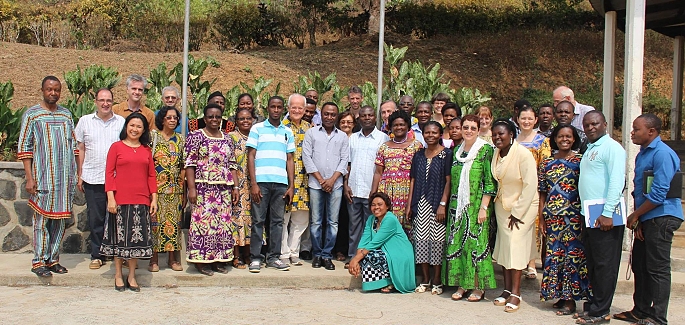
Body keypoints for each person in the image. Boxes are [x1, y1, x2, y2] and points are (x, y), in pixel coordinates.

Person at [615, 114, 683, 325]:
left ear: (651, 132)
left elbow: (659, 193)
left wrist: (635, 215)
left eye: (636, 129)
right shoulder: (643, 154)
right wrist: (640, 221)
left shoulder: (663, 154)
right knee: (640, 265)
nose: (632, 133)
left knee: (658, 269)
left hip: (662, 217)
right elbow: (640, 190)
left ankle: (658, 317)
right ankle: (641, 310)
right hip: (647, 217)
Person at [18, 76, 79, 277]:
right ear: (42, 90)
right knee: (41, 222)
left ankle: (53, 259)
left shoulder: (66, 114)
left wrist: (76, 174)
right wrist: (29, 177)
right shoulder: (32, 115)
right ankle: (39, 261)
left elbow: (74, 145)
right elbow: (25, 148)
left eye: (56, 90)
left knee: (60, 222)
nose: (53, 93)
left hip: (64, 179)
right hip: (43, 178)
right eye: (49, 89)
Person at [575, 111, 626, 324]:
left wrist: (607, 214)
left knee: (606, 265)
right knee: (595, 264)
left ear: (605, 124)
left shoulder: (612, 148)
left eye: (595, 124)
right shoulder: (589, 148)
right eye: (587, 125)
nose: (590, 128)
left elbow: (616, 181)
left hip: (605, 217)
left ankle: (601, 312)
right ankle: (596, 304)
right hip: (590, 216)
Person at [538, 124, 591, 315]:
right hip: (552, 217)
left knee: (571, 258)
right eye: (560, 136)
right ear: (555, 139)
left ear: (574, 139)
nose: (564, 139)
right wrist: (542, 217)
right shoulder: (546, 163)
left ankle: (570, 301)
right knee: (555, 255)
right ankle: (561, 296)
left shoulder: (580, 161)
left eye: (568, 136)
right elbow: (543, 192)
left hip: (573, 217)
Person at [444, 115, 497, 302]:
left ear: (478, 129)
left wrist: (484, 208)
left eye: (472, 128)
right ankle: (462, 284)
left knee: (477, 245)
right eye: (465, 127)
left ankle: (478, 286)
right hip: (457, 207)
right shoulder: (457, 151)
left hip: (477, 207)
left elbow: (490, 183)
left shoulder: (485, 150)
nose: (468, 131)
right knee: (459, 244)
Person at [102, 112, 157, 292]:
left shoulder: (146, 151)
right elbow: (109, 173)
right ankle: (118, 275)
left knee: (135, 243)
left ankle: (132, 276)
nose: (135, 129)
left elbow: (151, 175)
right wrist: (111, 197)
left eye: (139, 127)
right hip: (120, 201)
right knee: (119, 241)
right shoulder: (116, 147)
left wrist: (153, 198)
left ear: (143, 130)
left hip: (141, 201)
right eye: (132, 125)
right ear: (126, 126)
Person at [490, 118, 539, 313]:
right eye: (494, 134)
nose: (497, 137)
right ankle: (506, 289)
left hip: (523, 206)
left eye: (501, 134)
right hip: (502, 206)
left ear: (511, 134)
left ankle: (516, 293)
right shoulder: (496, 153)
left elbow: (530, 185)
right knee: (504, 247)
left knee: (516, 247)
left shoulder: (523, 154)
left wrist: (518, 212)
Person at [184, 104, 239, 276]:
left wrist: (235, 186)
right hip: (203, 188)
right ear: (205, 118)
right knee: (204, 224)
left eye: (217, 117)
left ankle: (218, 260)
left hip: (223, 189)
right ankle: (202, 261)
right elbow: (189, 164)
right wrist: (191, 188)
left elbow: (232, 165)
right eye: (210, 117)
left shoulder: (228, 138)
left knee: (222, 225)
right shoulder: (196, 136)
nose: (214, 120)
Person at [75, 88, 125, 270]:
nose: (105, 103)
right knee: (96, 219)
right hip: (92, 176)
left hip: (117, 179)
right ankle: (97, 254)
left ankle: (118, 254)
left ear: (113, 102)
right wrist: (80, 175)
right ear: (95, 101)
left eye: (109, 100)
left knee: (118, 218)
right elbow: (81, 149)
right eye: (102, 100)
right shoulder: (85, 122)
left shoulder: (121, 122)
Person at [246, 96, 295, 273]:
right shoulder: (257, 128)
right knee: (258, 220)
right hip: (262, 182)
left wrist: (291, 185)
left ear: (283, 109)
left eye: (279, 107)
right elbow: (251, 155)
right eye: (273, 107)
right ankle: (256, 258)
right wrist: (254, 183)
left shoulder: (287, 132)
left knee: (277, 222)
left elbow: (290, 159)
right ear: (267, 108)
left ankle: (274, 257)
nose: (276, 110)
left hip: (281, 183)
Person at [406, 121, 452, 295]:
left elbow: (448, 181)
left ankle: (437, 280)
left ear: (440, 134)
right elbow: (413, 181)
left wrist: (442, 205)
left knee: (437, 242)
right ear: (423, 134)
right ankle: (425, 279)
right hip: (420, 204)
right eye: (427, 132)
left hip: (437, 204)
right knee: (421, 241)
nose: (430, 135)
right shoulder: (418, 155)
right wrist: (410, 204)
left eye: (434, 132)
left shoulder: (446, 154)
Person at [303, 102, 350, 270]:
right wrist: (322, 180)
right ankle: (317, 254)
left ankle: (326, 255)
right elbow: (307, 158)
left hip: (335, 184)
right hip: (316, 184)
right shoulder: (311, 133)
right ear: (321, 115)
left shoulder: (343, 137)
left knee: (333, 222)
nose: (329, 117)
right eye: (326, 114)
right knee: (316, 221)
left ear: (336, 116)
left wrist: (332, 180)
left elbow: (345, 160)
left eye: (333, 114)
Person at [344, 106, 390, 268]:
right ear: (359, 119)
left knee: (371, 227)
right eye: (363, 116)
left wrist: (376, 191)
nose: (367, 118)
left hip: (373, 192)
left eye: (370, 115)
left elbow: (383, 167)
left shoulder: (383, 138)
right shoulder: (352, 139)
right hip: (354, 189)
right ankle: (352, 256)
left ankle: (367, 257)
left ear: (375, 118)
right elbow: (347, 164)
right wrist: (345, 185)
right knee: (354, 226)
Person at [347, 192, 416, 293]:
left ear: (387, 206)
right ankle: (381, 282)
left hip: (399, 252)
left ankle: (390, 281)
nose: (376, 208)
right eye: (373, 205)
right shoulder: (371, 219)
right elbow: (364, 240)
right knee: (365, 255)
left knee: (370, 255)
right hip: (385, 250)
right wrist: (356, 261)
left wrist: (355, 259)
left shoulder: (390, 219)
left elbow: (375, 242)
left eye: (380, 204)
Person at [371, 110, 423, 236]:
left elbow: (418, 174)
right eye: (395, 125)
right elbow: (378, 172)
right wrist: (373, 193)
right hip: (386, 192)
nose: (399, 127)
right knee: (386, 224)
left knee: (407, 225)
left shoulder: (417, 146)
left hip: (407, 192)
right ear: (391, 127)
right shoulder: (384, 147)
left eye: (402, 124)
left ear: (408, 126)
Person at [148, 106, 186, 272]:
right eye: (169, 117)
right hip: (157, 190)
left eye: (175, 118)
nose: (172, 120)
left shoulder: (180, 140)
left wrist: (183, 188)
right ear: (162, 119)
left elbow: (184, 165)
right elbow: (147, 164)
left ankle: (172, 259)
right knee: (155, 225)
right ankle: (153, 260)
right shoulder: (153, 137)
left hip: (175, 191)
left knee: (174, 225)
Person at [516, 105, 551, 279]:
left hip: (535, 189)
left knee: (533, 226)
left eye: (530, 118)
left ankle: (531, 263)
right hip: (515, 189)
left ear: (535, 120)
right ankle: (519, 261)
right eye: (523, 118)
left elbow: (545, 166)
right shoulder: (514, 139)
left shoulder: (542, 141)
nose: (526, 121)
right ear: (518, 120)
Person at [280, 94, 311, 267]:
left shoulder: (310, 128)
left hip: (305, 181)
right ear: (288, 108)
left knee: (301, 219)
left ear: (305, 110)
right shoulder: (282, 127)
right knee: (284, 218)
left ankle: (294, 251)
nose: (297, 110)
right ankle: (283, 252)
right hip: (285, 179)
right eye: (294, 107)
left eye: (300, 108)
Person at [228, 108, 256, 269]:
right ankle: (236, 255)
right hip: (237, 185)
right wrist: (234, 185)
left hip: (254, 184)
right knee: (237, 219)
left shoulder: (256, 136)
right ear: (236, 121)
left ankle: (248, 254)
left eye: (248, 118)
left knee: (251, 219)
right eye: (241, 119)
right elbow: (229, 162)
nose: (245, 121)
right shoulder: (231, 138)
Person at [334, 110, 356, 261]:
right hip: (335, 182)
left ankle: (350, 249)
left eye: (349, 122)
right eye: (343, 122)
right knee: (338, 218)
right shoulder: (335, 138)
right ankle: (339, 249)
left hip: (352, 183)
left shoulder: (356, 139)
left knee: (350, 219)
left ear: (354, 124)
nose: (346, 125)